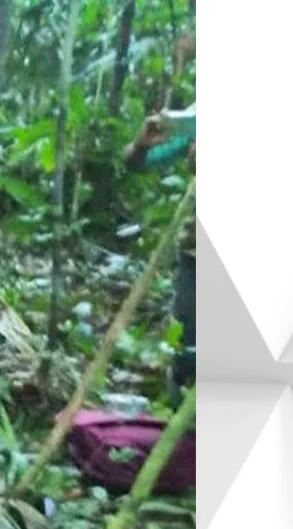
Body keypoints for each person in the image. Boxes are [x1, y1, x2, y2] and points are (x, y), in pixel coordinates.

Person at [124, 67, 196, 393]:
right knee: (188, 348)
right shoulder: (198, 122)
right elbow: (135, 162)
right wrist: (142, 143)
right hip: (199, 251)